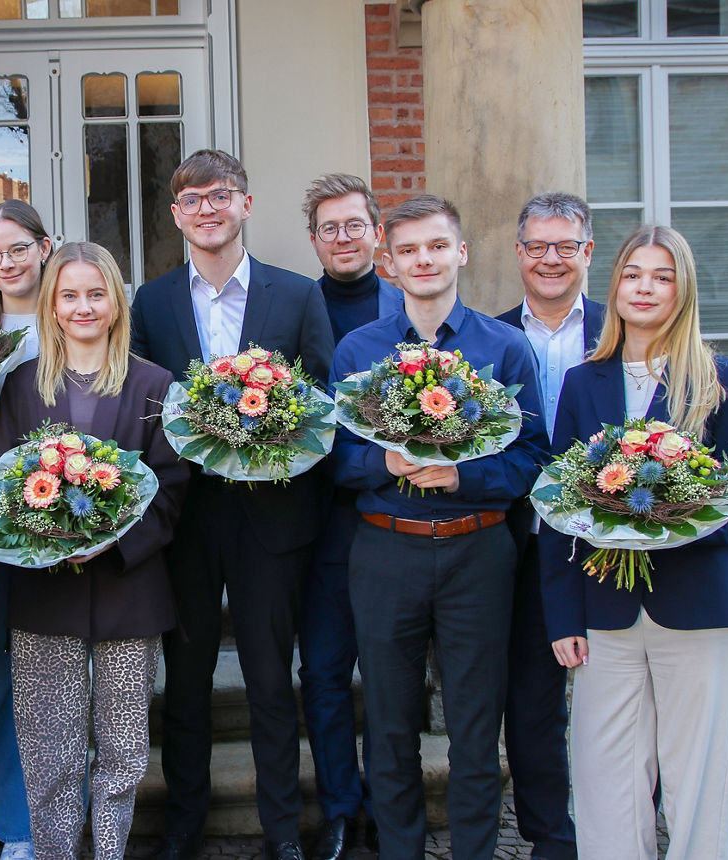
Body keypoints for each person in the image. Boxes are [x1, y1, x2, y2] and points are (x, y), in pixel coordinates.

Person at [329, 194, 548, 860]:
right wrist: (383, 459)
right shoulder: (360, 350)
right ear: (388, 263)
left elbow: (534, 456)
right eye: (409, 250)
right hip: (385, 552)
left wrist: (463, 477)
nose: (424, 259)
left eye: (436, 246)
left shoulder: (504, 349)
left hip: (477, 551)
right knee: (390, 727)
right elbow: (334, 458)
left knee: (477, 730)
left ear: (461, 252)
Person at [130, 149, 334, 860]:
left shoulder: (298, 294)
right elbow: (145, 410)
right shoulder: (151, 302)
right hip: (184, 525)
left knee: (271, 680)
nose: (208, 209)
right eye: (192, 199)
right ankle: (183, 830)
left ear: (246, 204)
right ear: (177, 215)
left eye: (221, 195)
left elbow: (322, 408)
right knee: (183, 684)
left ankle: (282, 832)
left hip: (271, 521)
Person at [540, 225, 728, 860]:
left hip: (701, 610)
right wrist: (562, 614)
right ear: (614, 286)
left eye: (662, 277)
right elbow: (555, 505)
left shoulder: (721, 378)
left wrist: (666, 524)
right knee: (602, 781)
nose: (646, 287)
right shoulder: (585, 383)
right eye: (634, 273)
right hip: (604, 614)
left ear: (682, 291)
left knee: (700, 784)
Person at [0, 242, 189, 860]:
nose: (83, 307)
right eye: (69, 295)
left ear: (117, 301)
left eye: (96, 293)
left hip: (131, 593)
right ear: (51, 304)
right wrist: (45, 540)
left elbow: (171, 487)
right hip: (45, 596)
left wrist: (111, 543)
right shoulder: (21, 385)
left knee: (123, 753)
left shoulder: (154, 384)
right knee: (51, 754)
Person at [492, 191, 603, 860]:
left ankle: (619, 827)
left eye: (566, 246)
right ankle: (552, 840)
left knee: (614, 697)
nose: (551, 259)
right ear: (519, 253)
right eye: (538, 246)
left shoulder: (622, 334)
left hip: (613, 546)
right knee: (530, 705)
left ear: (588, 252)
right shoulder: (492, 339)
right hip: (524, 543)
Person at [296, 173, 403, 860]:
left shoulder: (409, 306)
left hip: (397, 517)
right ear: (314, 239)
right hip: (321, 523)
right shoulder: (290, 306)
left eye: (354, 225)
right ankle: (340, 806)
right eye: (329, 228)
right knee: (327, 672)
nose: (343, 237)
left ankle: (391, 806)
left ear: (377, 233)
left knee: (392, 675)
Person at [0, 199, 55, 860]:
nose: (8, 263)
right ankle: (17, 831)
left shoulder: (79, 316)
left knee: (63, 682)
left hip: (66, 525)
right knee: (4, 684)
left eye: (19, 248)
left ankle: (63, 818)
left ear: (45, 247)